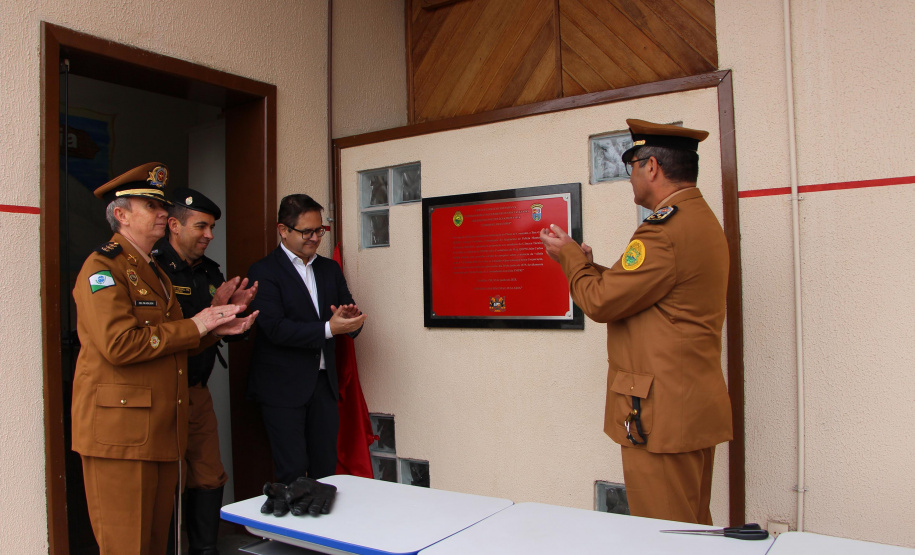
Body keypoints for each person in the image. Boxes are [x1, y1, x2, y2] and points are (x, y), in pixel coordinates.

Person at [540, 120, 733, 525]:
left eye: (631, 167)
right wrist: (587, 263)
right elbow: (648, 290)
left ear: (651, 167)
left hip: (661, 416)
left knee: (664, 537)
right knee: (691, 529)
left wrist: (571, 261)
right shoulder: (698, 220)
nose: (630, 178)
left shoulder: (662, 232)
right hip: (688, 407)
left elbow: (601, 302)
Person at [71, 162, 258, 554]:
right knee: (129, 546)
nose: (163, 214)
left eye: (163, 206)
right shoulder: (102, 268)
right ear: (121, 215)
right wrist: (197, 324)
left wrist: (213, 329)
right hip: (121, 434)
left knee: (158, 543)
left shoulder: (151, 269)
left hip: (156, 430)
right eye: (151, 206)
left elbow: (169, 346)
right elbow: (120, 344)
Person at [153, 188, 257, 554]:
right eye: (201, 226)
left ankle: (204, 549)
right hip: (160, 392)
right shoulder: (153, 268)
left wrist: (233, 316)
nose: (209, 235)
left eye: (211, 227)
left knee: (209, 475)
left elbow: (214, 330)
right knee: (165, 479)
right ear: (174, 225)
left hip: (197, 388)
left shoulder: (211, 271)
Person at [247, 194, 366, 484]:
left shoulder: (329, 269)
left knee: (326, 470)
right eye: (307, 232)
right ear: (283, 230)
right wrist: (329, 328)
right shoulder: (263, 271)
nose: (315, 238)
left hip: (323, 385)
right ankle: (287, 530)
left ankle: (323, 528)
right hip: (282, 389)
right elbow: (274, 328)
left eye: (320, 231)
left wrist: (350, 320)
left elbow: (346, 315)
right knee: (292, 471)